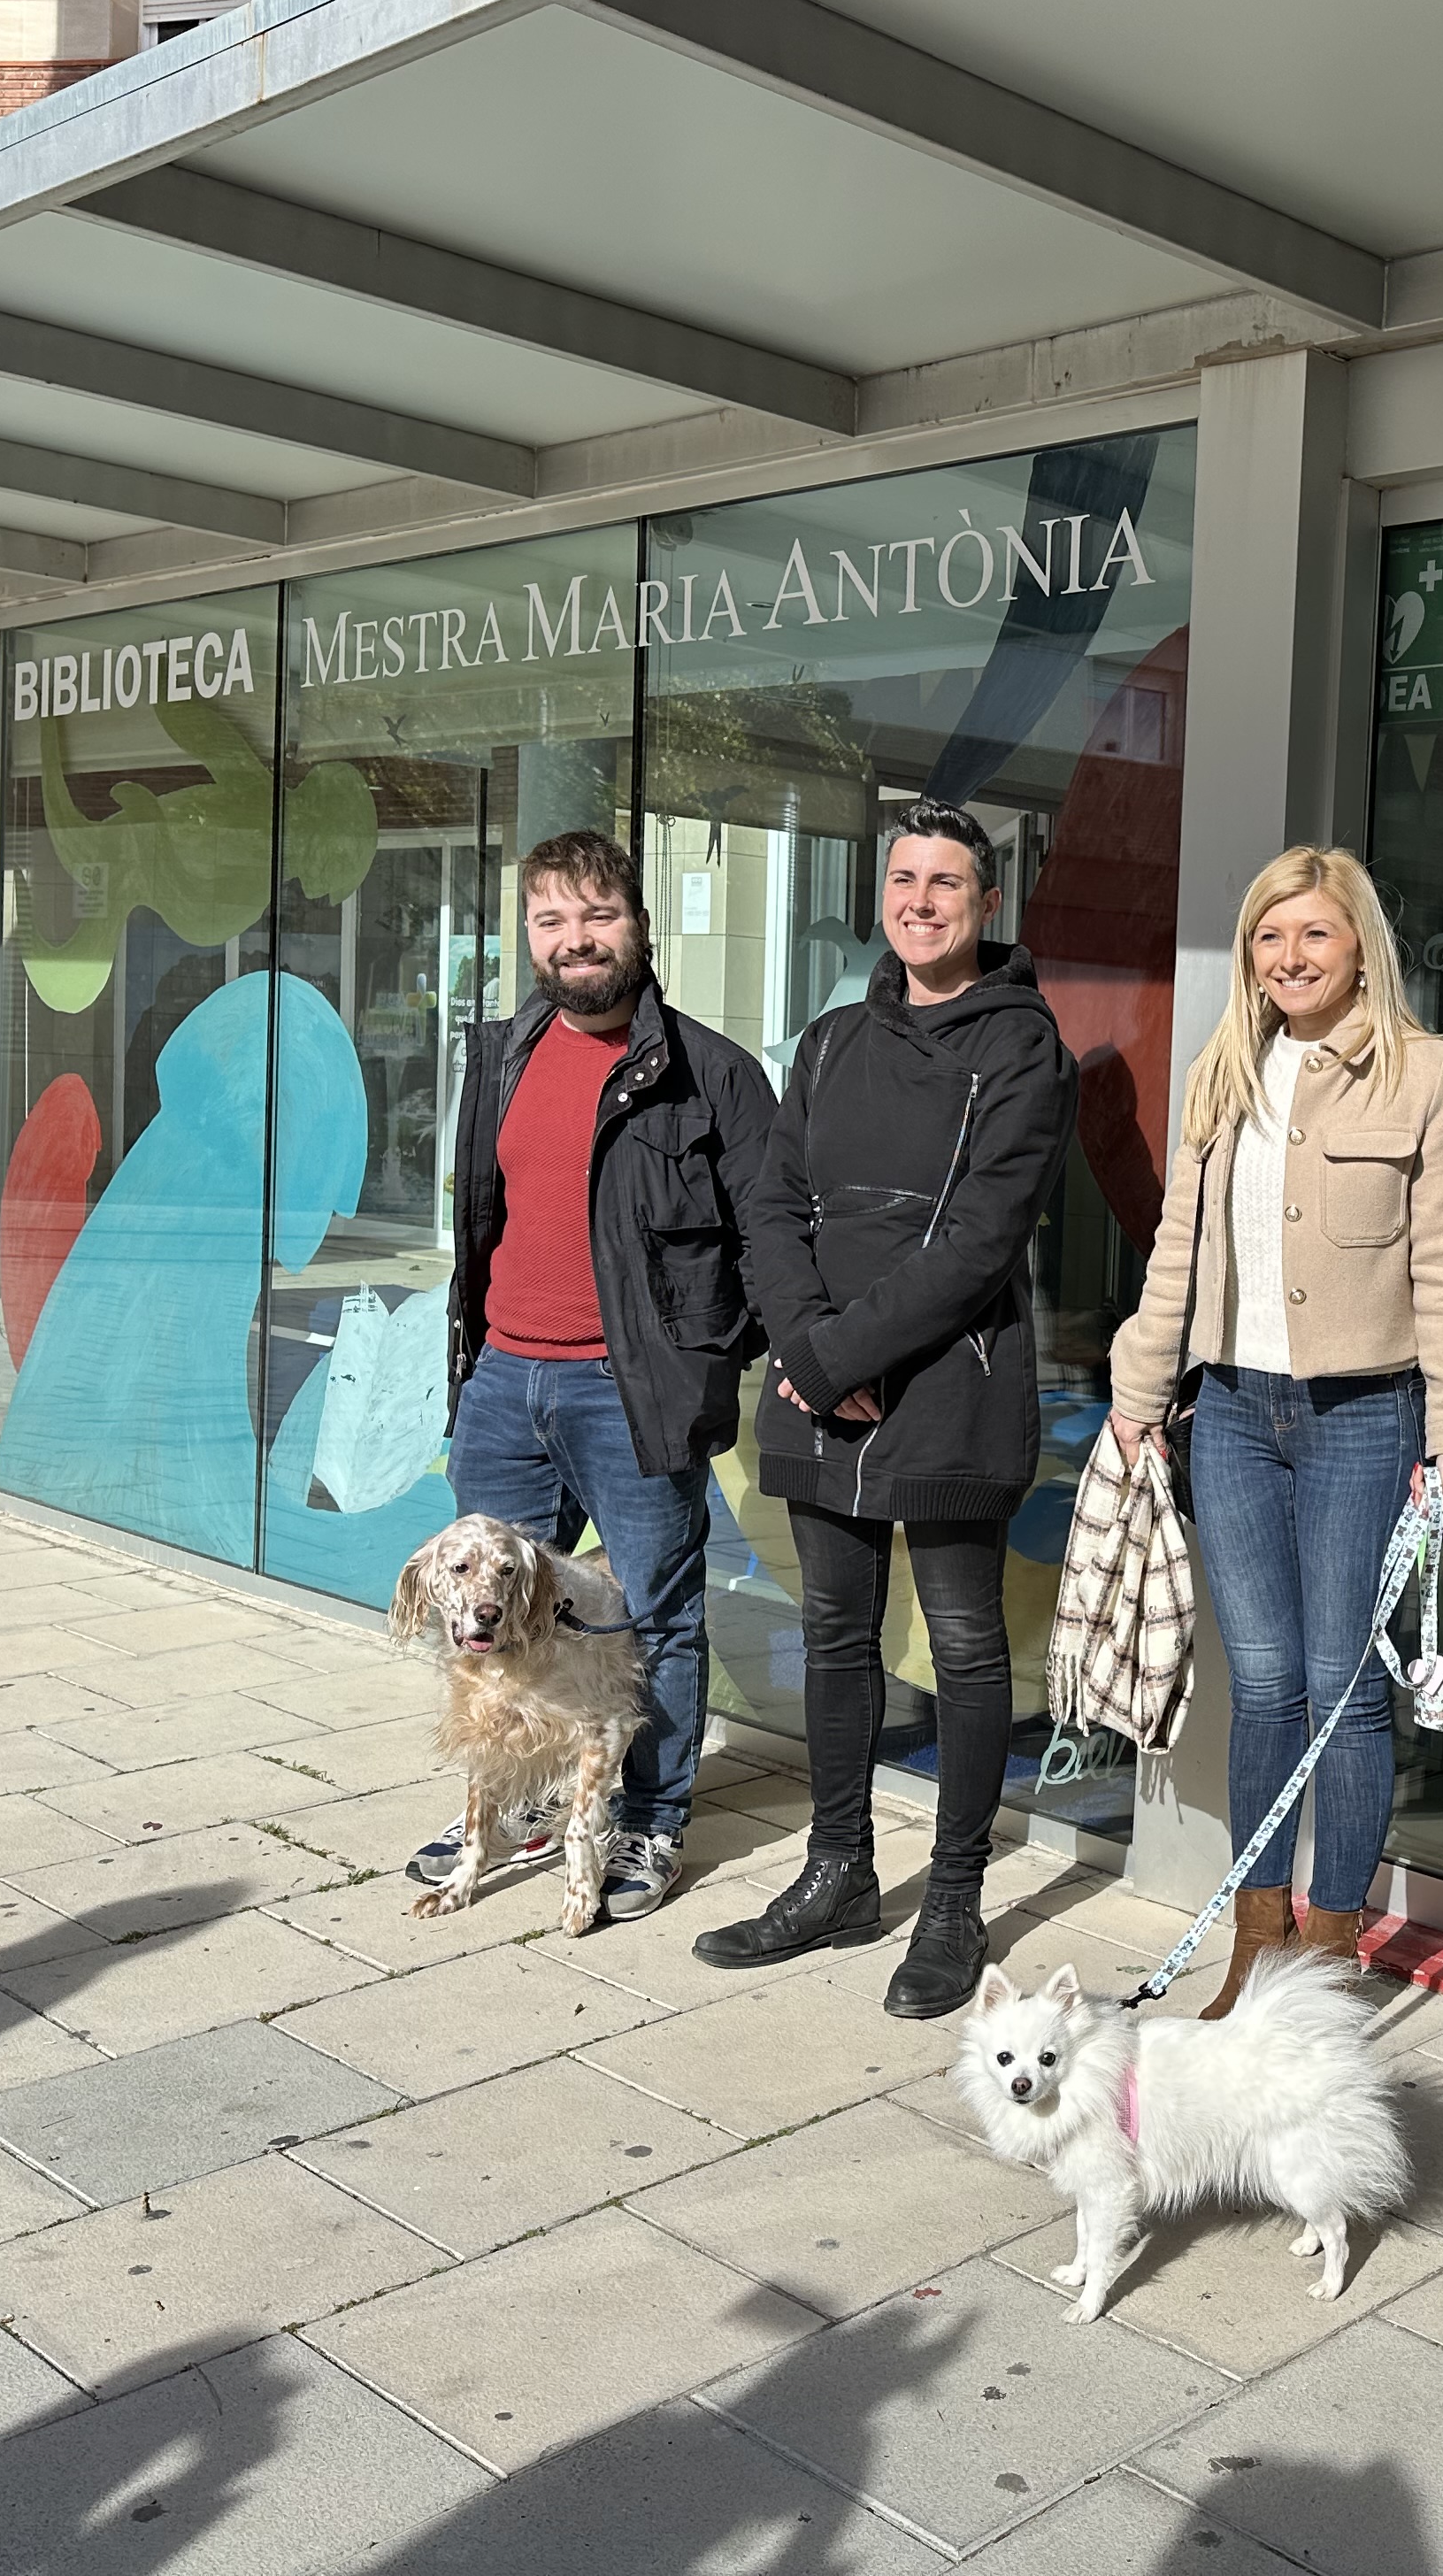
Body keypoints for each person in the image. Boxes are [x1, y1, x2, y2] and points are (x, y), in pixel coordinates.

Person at [695, 799, 1078, 2021]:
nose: (921, 901)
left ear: (987, 902)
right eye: (904, 879)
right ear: (882, 895)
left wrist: (842, 1350)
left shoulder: (1024, 1050)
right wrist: (810, 1354)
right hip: (823, 1384)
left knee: (965, 1646)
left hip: (949, 1383)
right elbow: (774, 1205)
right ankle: (840, 1871)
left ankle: (957, 1898)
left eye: (947, 883)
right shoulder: (827, 1042)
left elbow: (978, 1242)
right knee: (835, 1631)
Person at [1106, 847, 1443, 2015]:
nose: (1291, 959)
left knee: (1343, 1687)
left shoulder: (1427, 1076)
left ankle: (1329, 1957)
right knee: (1266, 1682)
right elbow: (1175, 1247)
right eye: (1271, 938)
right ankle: (1257, 1941)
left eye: (1314, 936)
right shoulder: (1221, 1072)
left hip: (1366, 1414)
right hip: (1231, 1409)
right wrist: (1139, 1392)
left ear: (1359, 944)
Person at [415, 827, 779, 1922]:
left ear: (639, 922)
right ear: (528, 934)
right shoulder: (504, 1054)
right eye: (551, 921)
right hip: (504, 1381)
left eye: (597, 916)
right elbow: (484, 1216)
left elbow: (770, 1239)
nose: (576, 941)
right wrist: (472, 1360)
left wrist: (705, 1362)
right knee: (493, 1610)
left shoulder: (712, 1073)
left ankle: (651, 1819)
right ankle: (520, 1798)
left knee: (656, 1617)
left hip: (630, 1392)